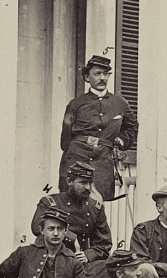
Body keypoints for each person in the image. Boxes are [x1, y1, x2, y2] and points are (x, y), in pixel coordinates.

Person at [58, 54, 138, 200]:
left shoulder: (120, 103)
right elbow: (65, 140)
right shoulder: (76, 104)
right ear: (87, 77)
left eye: (106, 74)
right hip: (77, 158)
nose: (102, 78)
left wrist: (121, 141)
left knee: (96, 205)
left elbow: (132, 127)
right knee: (72, 204)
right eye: (97, 74)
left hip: (103, 162)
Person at [31, 161, 113, 278]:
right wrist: (71, 238)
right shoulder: (51, 203)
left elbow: (104, 244)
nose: (87, 187)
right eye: (82, 183)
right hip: (53, 260)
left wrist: (87, 255)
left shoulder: (95, 208)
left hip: (83, 265)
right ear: (69, 181)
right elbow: (36, 227)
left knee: (109, 269)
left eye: (89, 183)